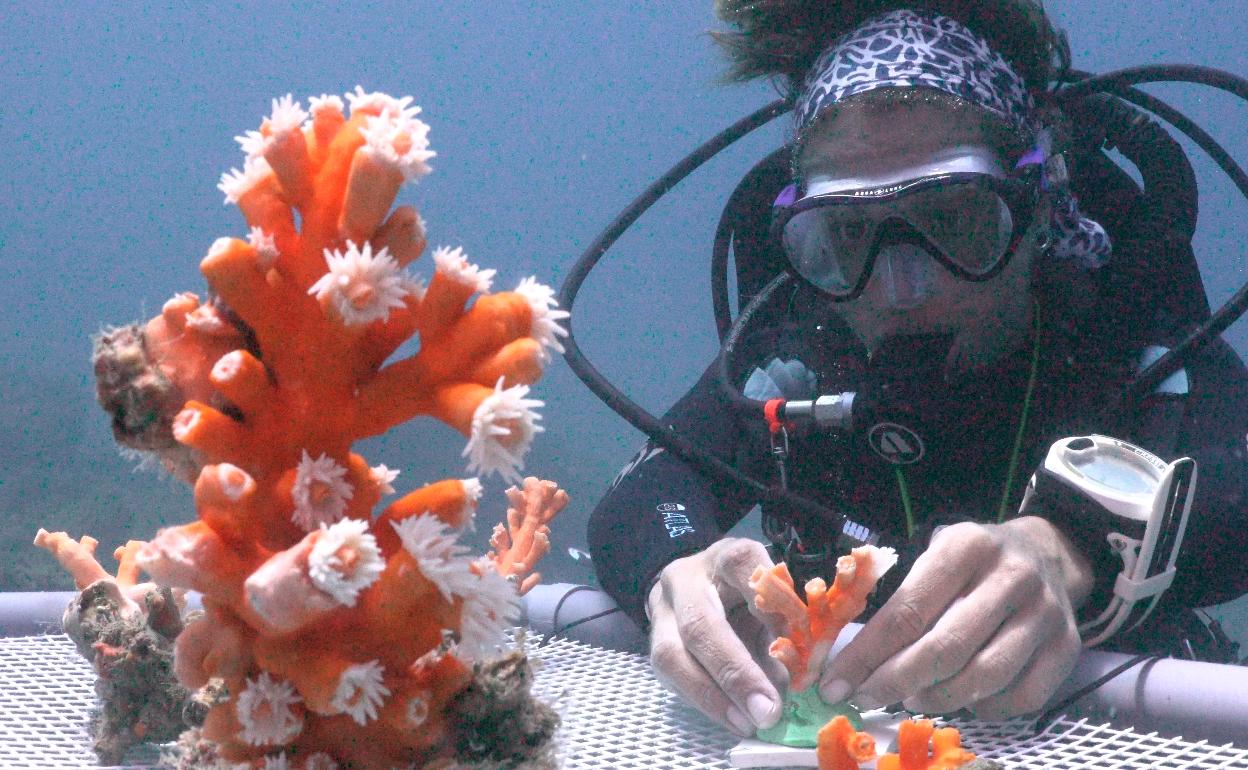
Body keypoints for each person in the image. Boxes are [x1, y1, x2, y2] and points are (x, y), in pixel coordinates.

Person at [585, 1, 1248, 739]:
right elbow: (645, 495)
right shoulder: (802, 346)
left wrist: (1072, 546)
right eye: (846, 233)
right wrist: (679, 563)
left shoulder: (1119, 323)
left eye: (957, 217)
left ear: (1036, 203)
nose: (902, 290)